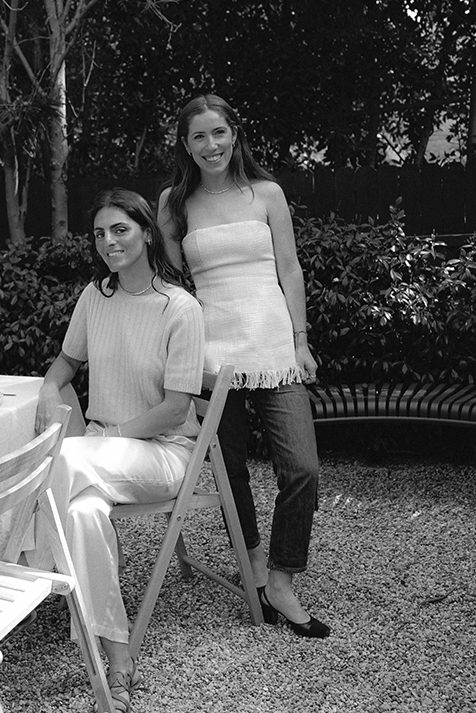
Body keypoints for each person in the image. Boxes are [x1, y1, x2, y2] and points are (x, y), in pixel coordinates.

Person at [158, 94, 330, 639]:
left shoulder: (267, 193)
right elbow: (172, 284)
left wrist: (301, 342)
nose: (211, 145)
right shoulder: (173, 203)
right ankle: (252, 559)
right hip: (213, 353)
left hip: (275, 348)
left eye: (219, 133)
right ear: (185, 145)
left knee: (302, 468)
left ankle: (282, 579)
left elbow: (290, 269)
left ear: (235, 133)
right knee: (229, 468)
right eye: (199, 136)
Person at [34, 188, 205, 712]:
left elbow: (175, 410)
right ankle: (118, 656)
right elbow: (66, 364)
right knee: (82, 514)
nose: (109, 241)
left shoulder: (180, 308)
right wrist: (49, 389)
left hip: (162, 453)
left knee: (63, 457)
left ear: (147, 233)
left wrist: (104, 438)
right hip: (100, 459)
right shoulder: (95, 296)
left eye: (120, 229)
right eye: (99, 234)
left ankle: (26, 563)